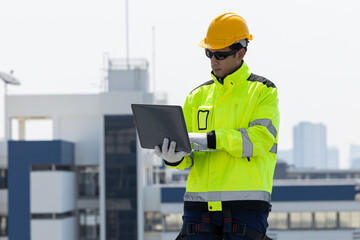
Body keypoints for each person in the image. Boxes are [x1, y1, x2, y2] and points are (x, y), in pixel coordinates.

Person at [155, 12, 279, 240]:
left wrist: (212, 139)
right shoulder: (196, 96)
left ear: (241, 52)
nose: (213, 60)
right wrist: (173, 158)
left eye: (220, 54)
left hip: (245, 206)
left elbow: (260, 140)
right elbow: (188, 157)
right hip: (198, 207)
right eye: (209, 53)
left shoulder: (263, 91)